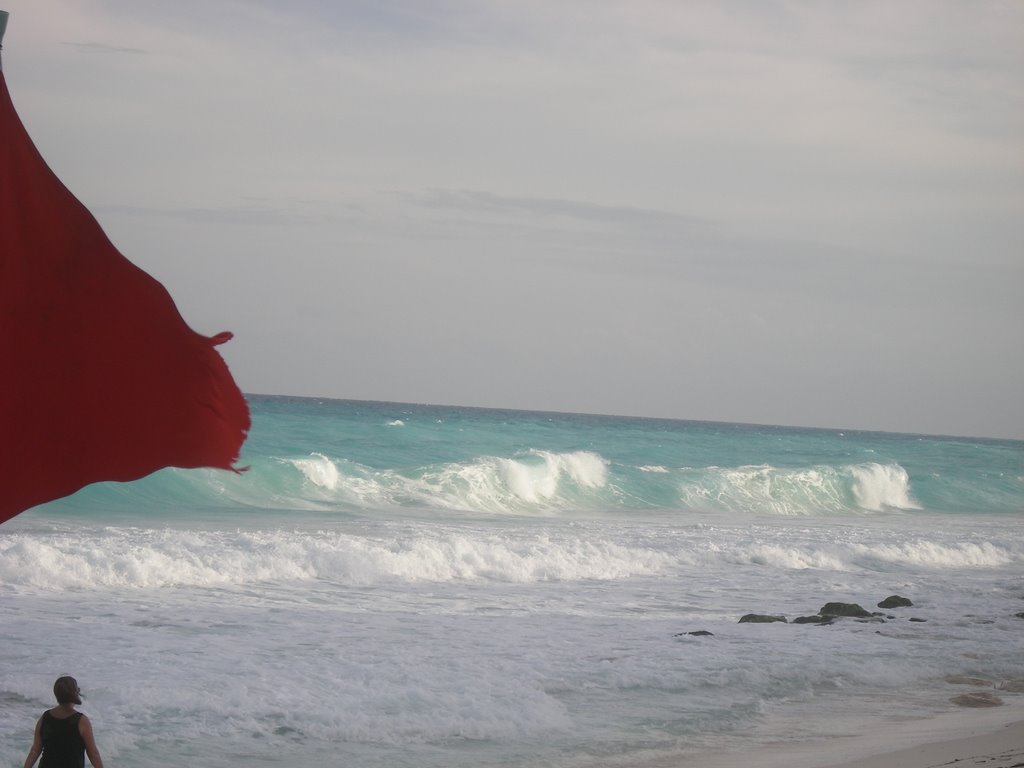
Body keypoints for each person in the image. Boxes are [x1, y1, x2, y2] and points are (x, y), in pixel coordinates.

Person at [23, 676, 104, 768]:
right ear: (75, 693)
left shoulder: (45, 718)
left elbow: (35, 750)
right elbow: (93, 753)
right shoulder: (81, 721)